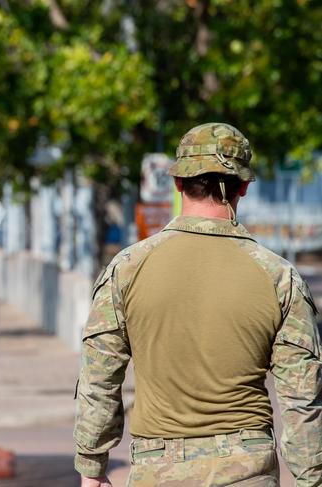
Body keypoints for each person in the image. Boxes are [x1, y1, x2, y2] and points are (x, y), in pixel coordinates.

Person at [74, 122, 321, 486]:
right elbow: (302, 399)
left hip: (157, 469)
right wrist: (309, 479)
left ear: (178, 183)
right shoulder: (279, 278)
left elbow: (99, 378)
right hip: (248, 468)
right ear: (245, 187)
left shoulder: (126, 270)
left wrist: (92, 467)